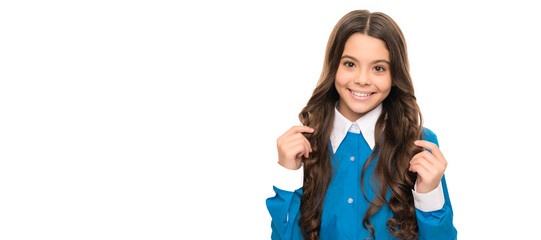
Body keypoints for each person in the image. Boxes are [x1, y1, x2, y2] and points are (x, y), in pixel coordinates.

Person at [266, 10, 457, 240]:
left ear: (394, 74)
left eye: (378, 68)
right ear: (333, 66)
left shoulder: (419, 145)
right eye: (350, 64)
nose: (363, 79)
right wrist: (287, 175)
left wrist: (429, 195)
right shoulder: (303, 146)